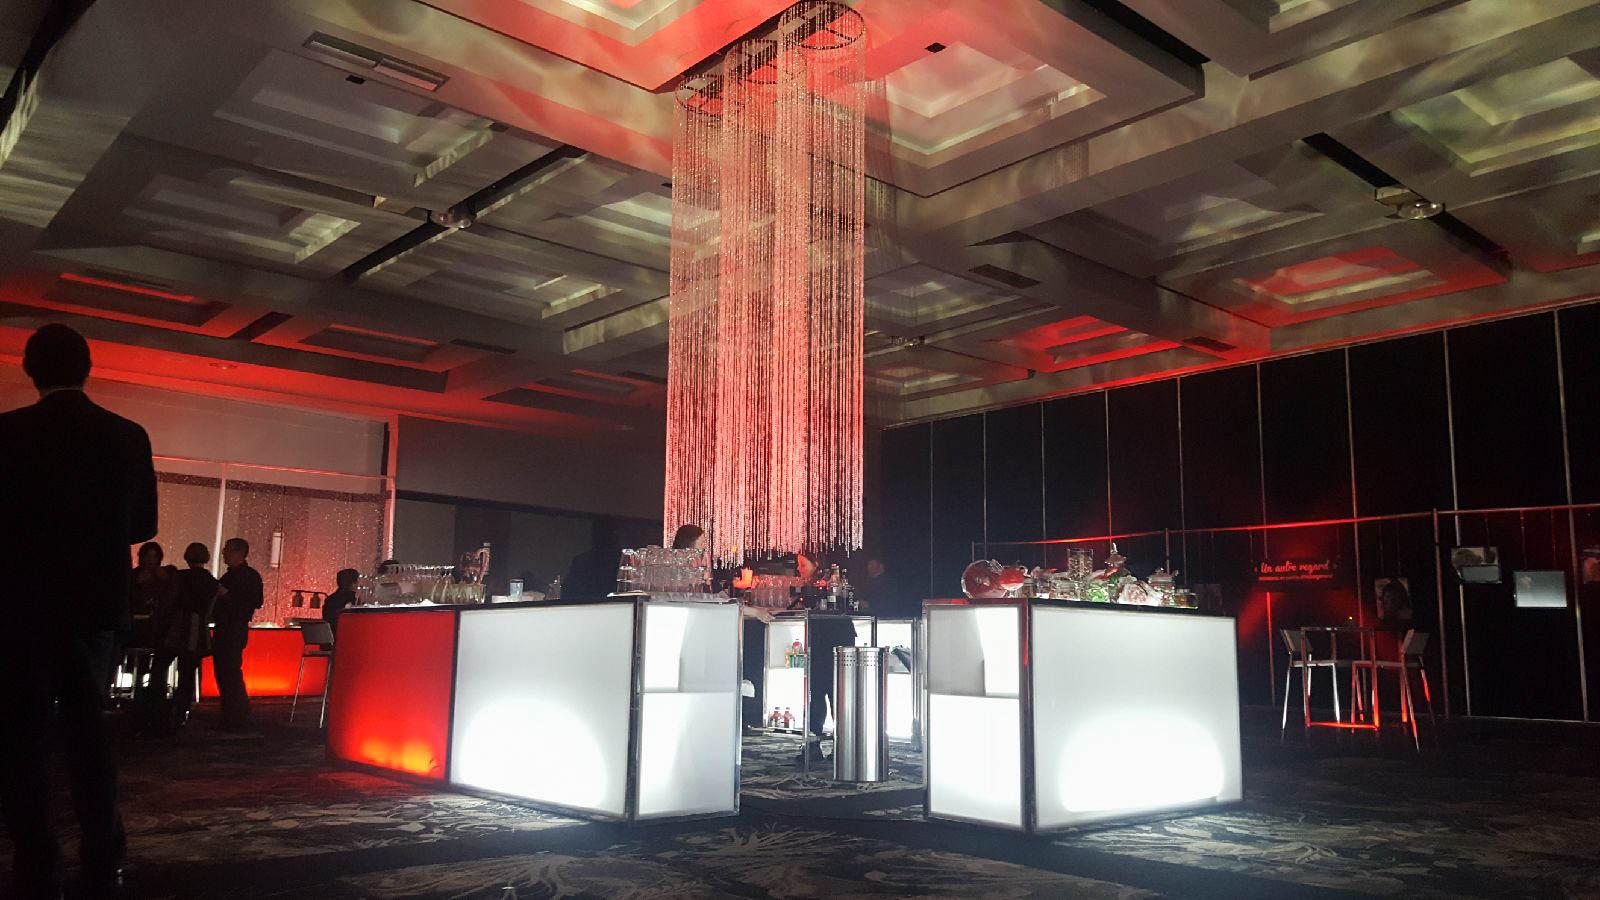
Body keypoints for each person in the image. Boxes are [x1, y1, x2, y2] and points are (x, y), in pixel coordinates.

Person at [0, 323, 157, 896]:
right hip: (93, 606)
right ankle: (102, 851)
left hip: (18, 606)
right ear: (87, 369)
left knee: (20, 735)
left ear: (29, 370)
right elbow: (143, 525)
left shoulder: (6, 433)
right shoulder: (126, 435)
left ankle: (35, 855)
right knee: (89, 732)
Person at [138, 543, 217, 736]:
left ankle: (154, 709)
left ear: (187, 557)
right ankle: (180, 712)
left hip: (176, 627)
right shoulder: (211, 581)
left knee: (160, 667)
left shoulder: (179, 577)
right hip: (197, 629)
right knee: (187, 673)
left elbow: (168, 601)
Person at [795, 551, 856, 763]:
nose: (799, 569)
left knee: (833, 692)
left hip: (834, 638)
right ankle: (819, 746)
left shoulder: (827, 582)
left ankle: (839, 746)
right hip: (824, 638)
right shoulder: (812, 585)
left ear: (815, 564)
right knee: (821, 693)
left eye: (803, 564)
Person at [213, 537, 264, 731]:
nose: (224, 553)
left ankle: (235, 714)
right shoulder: (245, 575)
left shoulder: (241, 577)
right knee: (228, 670)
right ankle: (234, 713)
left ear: (239, 553)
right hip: (231, 627)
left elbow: (253, 602)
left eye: (228, 550)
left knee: (228, 670)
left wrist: (226, 595)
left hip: (233, 627)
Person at [563, 517, 622, 601]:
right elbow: (568, 593)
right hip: (586, 606)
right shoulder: (582, 562)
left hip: (618, 606)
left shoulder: (625, 562)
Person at [323, 568, 359, 634]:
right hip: (348, 635)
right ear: (353, 583)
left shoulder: (329, 599)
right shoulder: (353, 599)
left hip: (330, 636)